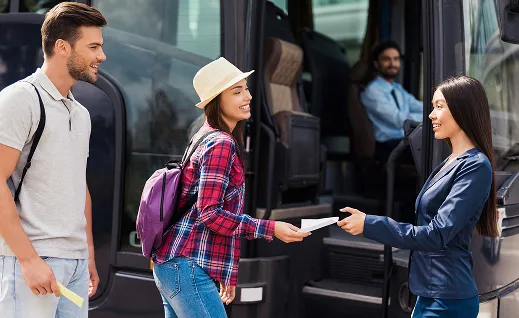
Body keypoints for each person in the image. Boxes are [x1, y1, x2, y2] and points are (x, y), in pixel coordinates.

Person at [152, 57, 310, 318]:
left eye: (246, 88)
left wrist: (225, 273)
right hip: (187, 266)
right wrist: (271, 228)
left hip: (178, 264)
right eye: (236, 92)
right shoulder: (220, 144)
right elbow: (210, 214)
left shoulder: (204, 136)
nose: (247, 96)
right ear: (216, 101)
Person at [338, 75, 499, 317]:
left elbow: (437, 234)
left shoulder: (475, 166)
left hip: (447, 299)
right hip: (429, 294)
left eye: (439, 107)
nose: (431, 115)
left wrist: (370, 224)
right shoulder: (450, 162)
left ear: (462, 109)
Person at [0, 3, 106, 317]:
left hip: (73, 264)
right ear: (62, 47)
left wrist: (87, 253)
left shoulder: (81, 114)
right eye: (93, 47)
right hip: (33, 261)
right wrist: (29, 261)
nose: (101, 56)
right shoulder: (20, 100)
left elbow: (78, 186)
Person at [361, 40, 423, 162]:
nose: (392, 63)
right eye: (386, 59)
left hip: (402, 142)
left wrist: (439, 107)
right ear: (377, 64)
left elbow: (418, 106)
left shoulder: (397, 89)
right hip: (387, 146)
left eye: (396, 59)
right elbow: (399, 120)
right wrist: (431, 117)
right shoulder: (372, 91)